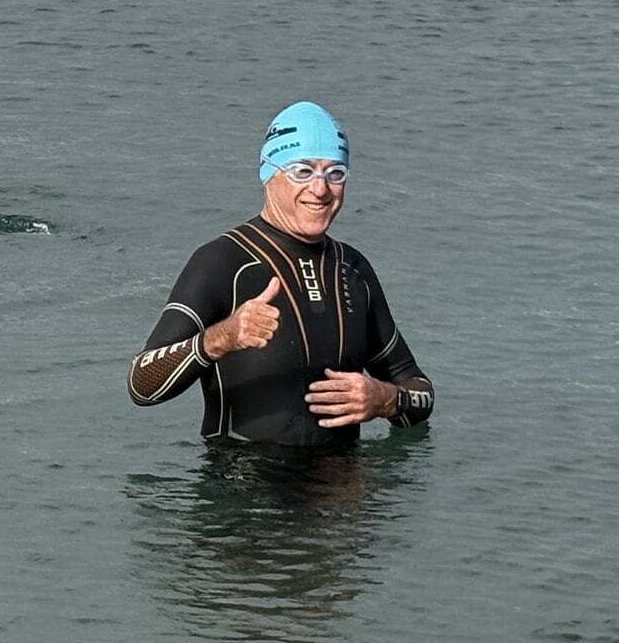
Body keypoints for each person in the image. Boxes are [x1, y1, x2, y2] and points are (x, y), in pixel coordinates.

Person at [128, 101, 434, 451]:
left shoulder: (354, 270)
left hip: (341, 495)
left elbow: (420, 390)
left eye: (335, 173)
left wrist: (385, 399)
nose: (320, 189)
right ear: (268, 174)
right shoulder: (223, 261)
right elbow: (141, 384)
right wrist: (218, 340)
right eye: (302, 171)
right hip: (246, 494)